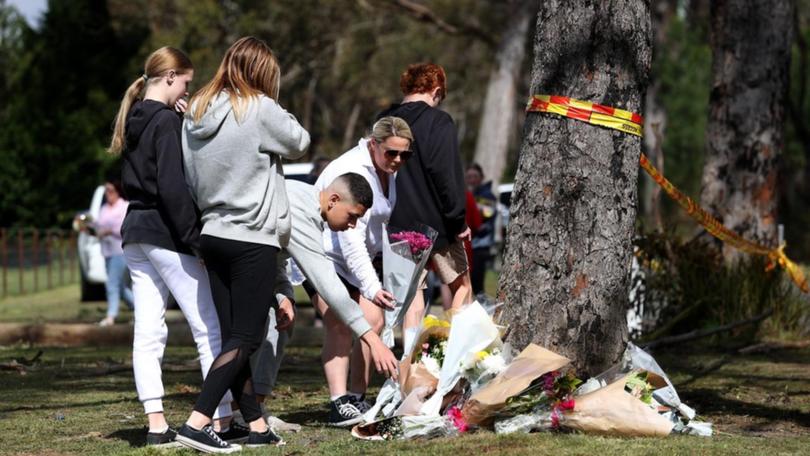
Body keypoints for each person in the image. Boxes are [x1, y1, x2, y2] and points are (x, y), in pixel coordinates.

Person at [179, 36, 310, 453]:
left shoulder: (195, 112)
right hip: (252, 236)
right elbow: (300, 141)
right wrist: (273, 102)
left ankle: (254, 423)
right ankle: (197, 422)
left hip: (212, 234)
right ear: (262, 73)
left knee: (234, 339)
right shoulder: (260, 108)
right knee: (246, 340)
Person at [110, 46, 232, 447]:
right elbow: (173, 187)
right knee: (207, 326)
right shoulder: (164, 122)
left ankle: (156, 423)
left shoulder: (134, 117)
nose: (187, 88)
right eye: (185, 82)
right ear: (169, 78)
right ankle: (221, 417)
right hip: (165, 232)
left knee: (148, 330)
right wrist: (195, 239)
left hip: (135, 232)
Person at [249, 173, 400, 427]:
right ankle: (223, 416)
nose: (353, 225)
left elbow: (277, 256)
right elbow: (327, 283)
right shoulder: (302, 211)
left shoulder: (306, 201)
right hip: (227, 259)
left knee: (280, 322)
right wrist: (373, 340)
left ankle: (253, 408)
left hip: (257, 266)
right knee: (246, 334)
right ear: (333, 200)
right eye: (352, 215)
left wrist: (284, 295)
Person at [313, 117, 413, 426]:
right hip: (324, 256)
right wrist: (371, 286)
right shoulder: (354, 172)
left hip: (357, 262)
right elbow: (350, 239)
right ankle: (338, 401)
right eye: (391, 153)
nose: (397, 160)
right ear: (373, 145)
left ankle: (357, 397)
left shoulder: (386, 172)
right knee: (341, 324)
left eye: (404, 155)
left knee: (373, 320)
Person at [377, 63, 472, 341]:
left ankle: (410, 364)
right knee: (461, 286)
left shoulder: (384, 120)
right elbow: (447, 176)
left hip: (395, 224)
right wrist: (458, 220)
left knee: (411, 296)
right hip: (438, 224)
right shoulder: (438, 122)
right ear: (437, 90)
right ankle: (452, 356)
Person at [94, 179, 134, 326]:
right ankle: (140, 310)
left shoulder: (124, 206)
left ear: (118, 191)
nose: (108, 194)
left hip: (120, 251)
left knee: (112, 284)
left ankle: (111, 316)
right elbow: (98, 226)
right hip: (107, 252)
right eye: (106, 191)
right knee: (121, 288)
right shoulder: (104, 208)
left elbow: (125, 228)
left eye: (110, 190)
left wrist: (109, 231)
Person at [465, 163, 496, 296]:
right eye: (469, 177)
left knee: (477, 284)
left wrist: (472, 205)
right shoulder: (468, 194)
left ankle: (484, 311)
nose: (472, 180)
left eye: (475, 176)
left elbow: (488, 213)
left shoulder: (488, 195)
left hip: (480, 246)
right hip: (469, 245)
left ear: (481, 177)